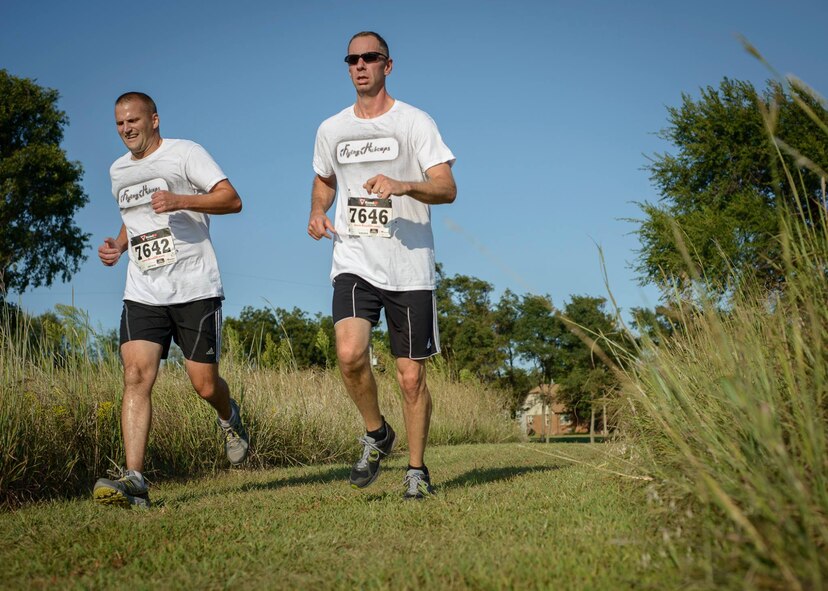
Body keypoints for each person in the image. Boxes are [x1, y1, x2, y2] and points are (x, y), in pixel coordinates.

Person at [308, 32, 457, 499]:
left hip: (409, 265)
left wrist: (403, 185)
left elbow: (447, 187)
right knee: (350, 355)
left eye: (369, 58)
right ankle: (377, 433)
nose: (360, 65)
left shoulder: (414, 122)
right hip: (354, 258)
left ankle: (416, 470)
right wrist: (317, 211)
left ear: (387, 66)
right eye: (352, 59)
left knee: (410, 377)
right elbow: (324, 179)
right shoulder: (332, 128)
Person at [93, 92, 249, 508]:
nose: (127, 129)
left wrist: (181, 199)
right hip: (143, 290)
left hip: (194, 287)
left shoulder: (186, 154)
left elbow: (231, 199)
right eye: (120, 124)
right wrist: (120, 246)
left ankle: (228, 417)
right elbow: (135, 217)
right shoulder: (118, 171)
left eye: (134, 121)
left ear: (154, 120)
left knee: (203, 384)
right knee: (136, 377)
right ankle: (136, 479)